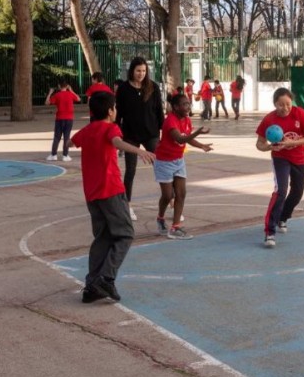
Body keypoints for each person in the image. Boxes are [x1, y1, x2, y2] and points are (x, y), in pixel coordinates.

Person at [69, 91, 156, 303]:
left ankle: (91, 287)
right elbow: (116, 141)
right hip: (110, 190)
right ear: (110, 111)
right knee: (125, 234)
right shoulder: (111, 128)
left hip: (92, 193)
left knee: (103, 237)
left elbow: (73, 142)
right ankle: (106, 279)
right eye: (114, 107)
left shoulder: (88, 130)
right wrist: (139, 150)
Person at [256, 87, 304, 248]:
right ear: (275, 104)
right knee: (280, 191)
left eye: (288, 104)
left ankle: (283, 217)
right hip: (280, 158)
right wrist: (269, 148)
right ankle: (270, 232)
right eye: (281, 105)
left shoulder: (299, 113)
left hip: (300, 158)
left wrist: (292, 143)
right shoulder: (269, 120)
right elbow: (259, 144)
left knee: (298, 191)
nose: (285, 108)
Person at [155, 93, 213, 240]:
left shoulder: (186, 120)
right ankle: (160, 218)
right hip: (164, 161)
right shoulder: (170, 121)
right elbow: (180, 138)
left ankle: (175, 227)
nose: (188, 107)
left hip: (178, 160)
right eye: (184, 104)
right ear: (175, 107)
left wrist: (201, 146)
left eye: (188, 104)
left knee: (181, 194)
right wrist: (198, 133)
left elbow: (187, 139)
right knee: (168, 196)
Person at [115, 57, 164, 221]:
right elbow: (118, 114)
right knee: (130, 170)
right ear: (132, 71)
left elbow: (159, 111)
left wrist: (163, 132)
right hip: (130, 136)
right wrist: (116, 133)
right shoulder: (123, 89)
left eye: (144, 71)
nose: (141, 74)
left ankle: (169, 200)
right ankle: (127, 205)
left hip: (151, 134)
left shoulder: (153, 87)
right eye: (138, 71)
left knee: (162, 167)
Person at [45, 79, 80, 162]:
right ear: (67, 86)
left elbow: (47, 102)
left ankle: (54, 155)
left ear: (59, 86)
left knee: (57, 137)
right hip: (69, 118)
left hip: (60, 118)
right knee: (66, 137)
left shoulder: (57, 95)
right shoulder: (70, 94)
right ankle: (65, 155)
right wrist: (71, 91)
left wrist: (50, 93)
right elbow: (78, 99)